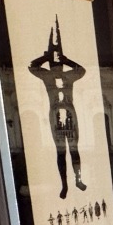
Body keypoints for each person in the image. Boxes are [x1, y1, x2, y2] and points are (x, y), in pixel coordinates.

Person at [28, 16, 87, 200]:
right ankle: (64, 184)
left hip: (69, 116)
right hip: (56, 117)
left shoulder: (68, 76)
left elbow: (81, 70)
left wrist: (66, 60)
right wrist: (45, 57)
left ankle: (78, 180)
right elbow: (32, 67)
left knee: (73, 149)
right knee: (62, 152)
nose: (57, 66)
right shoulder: (47, 76)